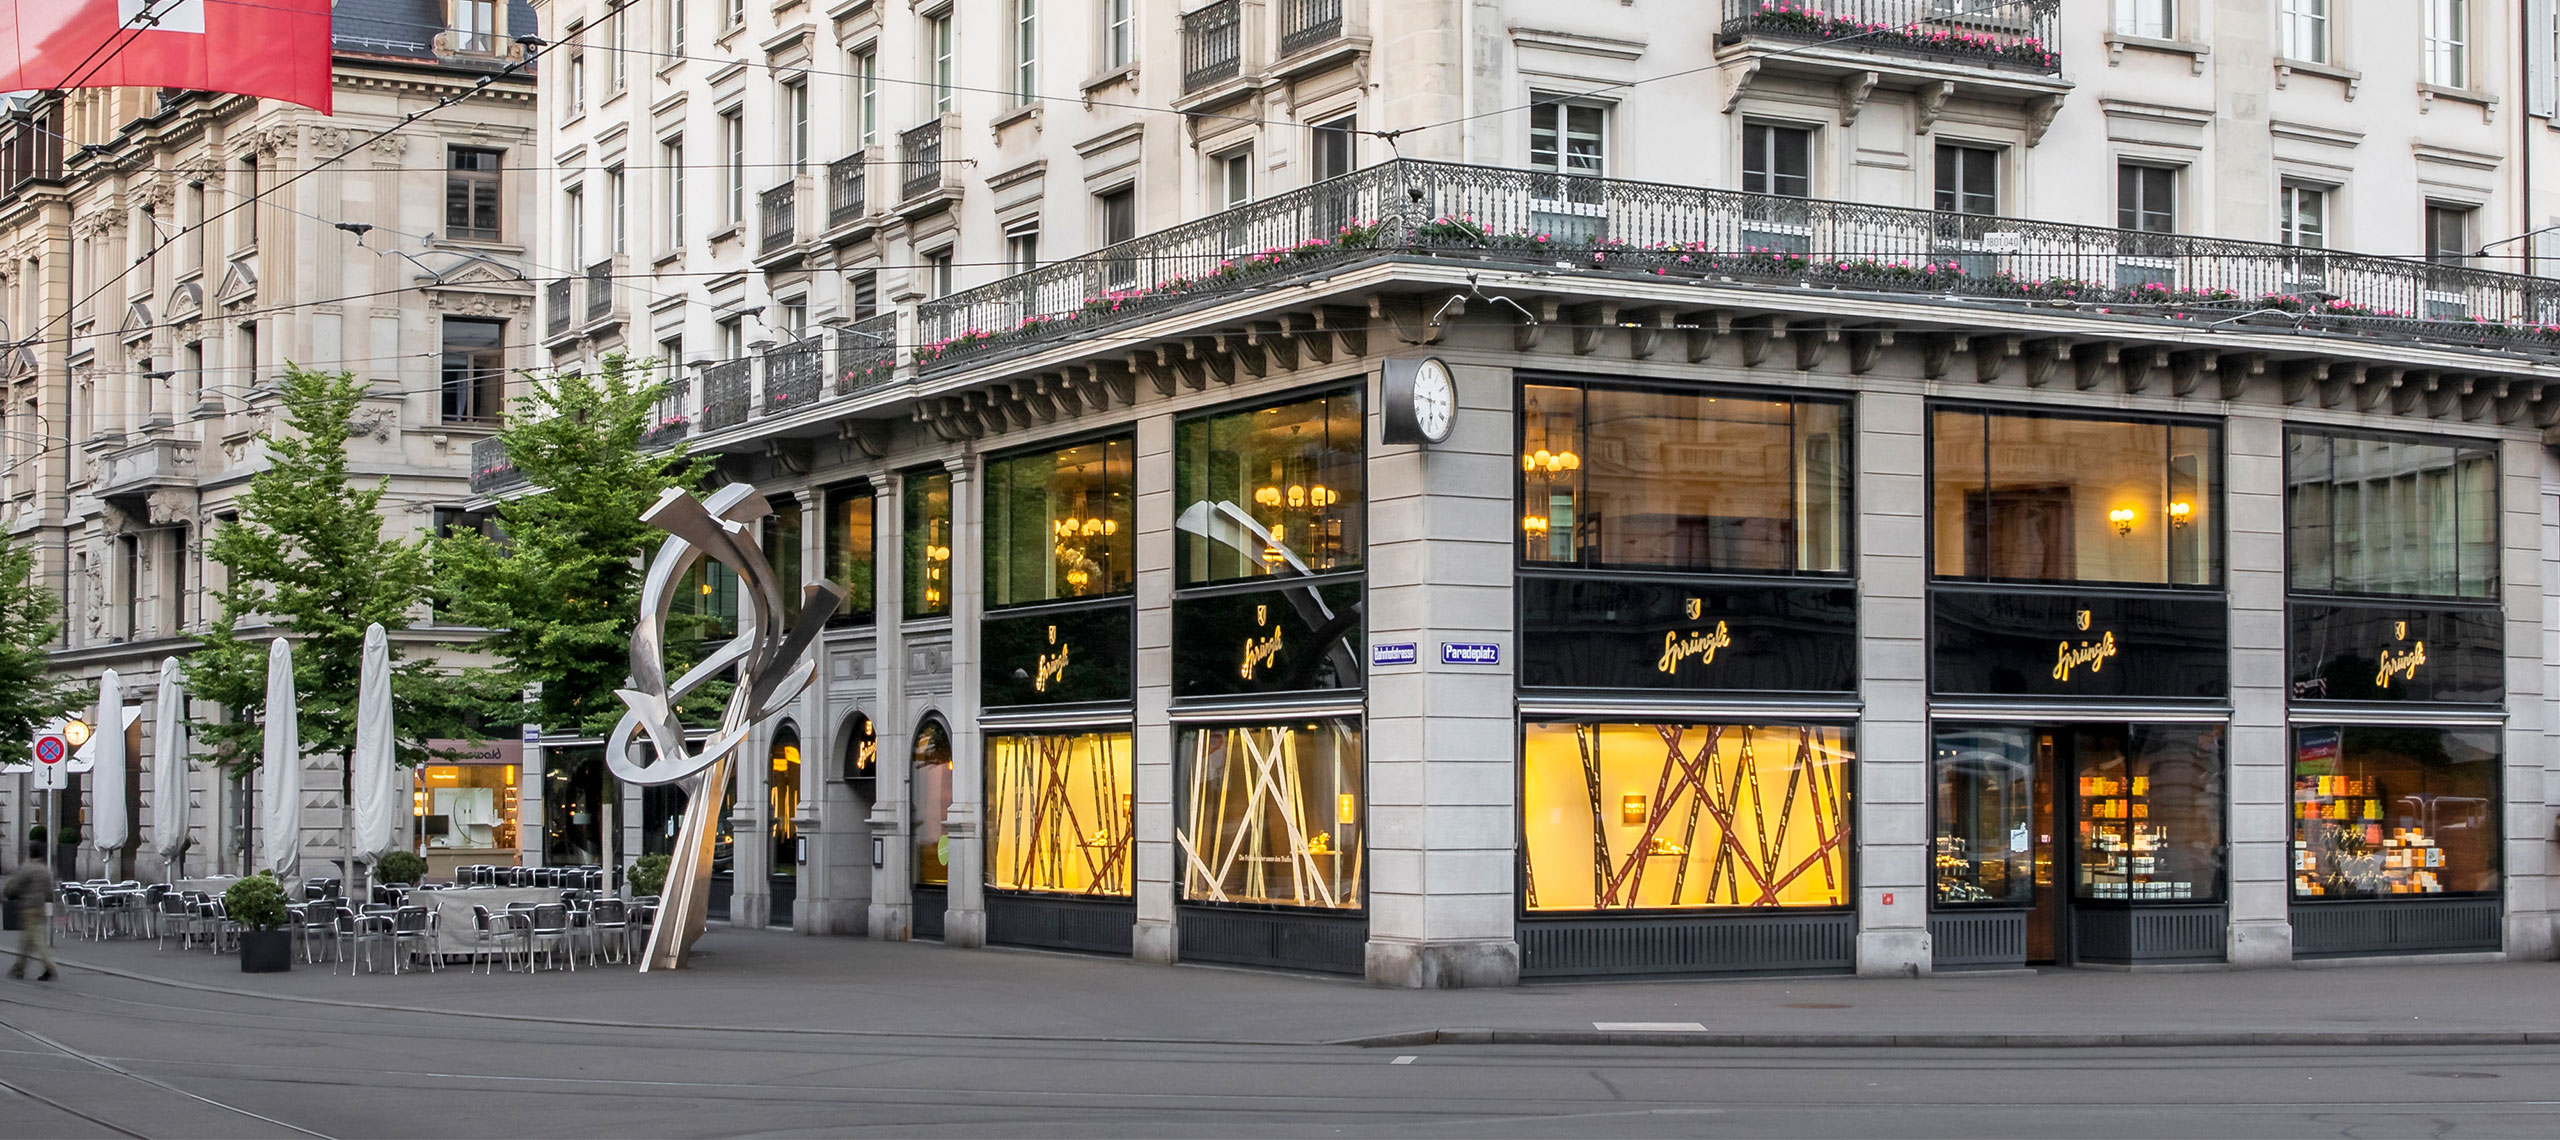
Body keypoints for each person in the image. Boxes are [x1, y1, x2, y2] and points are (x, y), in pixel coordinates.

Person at [3, 842, 56, 981]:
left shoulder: (27, 869)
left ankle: (49, 967)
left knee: (37, 940)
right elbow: (49, 891)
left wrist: (7, 893)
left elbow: (14, 886)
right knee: (26, 941)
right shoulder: (45, 870)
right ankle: (19, 968)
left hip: (28, 908)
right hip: (40, 908)